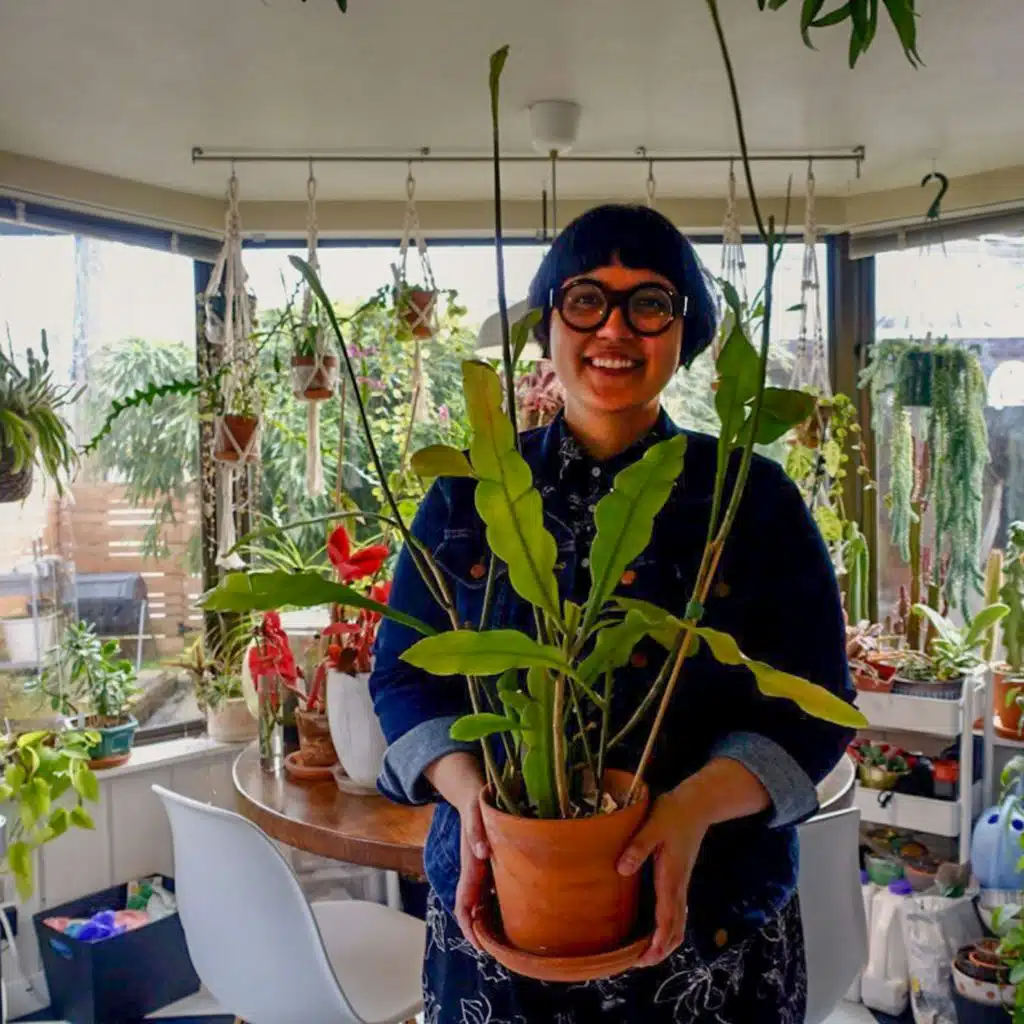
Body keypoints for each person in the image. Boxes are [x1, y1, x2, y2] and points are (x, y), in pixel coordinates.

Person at [370, 203, 856, 1023]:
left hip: (709, 922)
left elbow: (814, 708)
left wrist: (691, 808)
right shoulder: (466, 491)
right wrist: (476, 802)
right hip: (503, 916)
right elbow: (404, 677)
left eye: (652, 303)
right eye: (587, 298)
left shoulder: (752, 497)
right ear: (549, 320)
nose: (615, 330)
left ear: (687, 330)